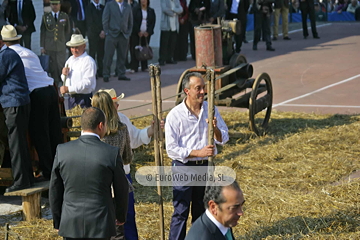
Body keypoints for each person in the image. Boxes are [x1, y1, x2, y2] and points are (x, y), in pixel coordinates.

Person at [165, 72, 229, 240]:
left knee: (201, 211)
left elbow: (224, 138)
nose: (202, 92)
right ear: (187, 91)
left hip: (204, 167)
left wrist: (214, 128)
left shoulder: (211, 109)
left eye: (203, 88)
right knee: (181, 211)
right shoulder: (175, 115)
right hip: (184, 168)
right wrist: (197, 152)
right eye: (198, 88)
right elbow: (171, 149)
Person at [49, 107, 129, 239]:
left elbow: (55, 189)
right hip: (101, 222)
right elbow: (121, 188)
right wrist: (120, 216)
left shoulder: (62, 150)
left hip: (71, 222)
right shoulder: (111, 153)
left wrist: (58, 220)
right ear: (101, 125)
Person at [2, 25, 62, 181]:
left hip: (36, 94)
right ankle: (58, 170)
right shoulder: (28, 52)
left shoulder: (7, 55)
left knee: (39, 134)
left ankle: (48, 172)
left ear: (3, 41)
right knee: (54, 134)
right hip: (50, 89)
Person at [91, 91, 133, 240]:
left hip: (97, 189)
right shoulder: (121, 128)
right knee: (118, 231)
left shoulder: (92, 133)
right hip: (117, 187)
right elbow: (128, 158)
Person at [0, 28, 34, 193]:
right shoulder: (9, 54)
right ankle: (27, 178)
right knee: (20, 142)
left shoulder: (5, 56)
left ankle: (21, 181)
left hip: (13, 103)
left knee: (16, 144)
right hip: (18, 102)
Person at [60, 34, 97, 110]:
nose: (74, 50)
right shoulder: (70, 60)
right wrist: (64, 74)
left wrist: (69, 89)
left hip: (83, 99)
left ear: (84, 46)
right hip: (72, 98)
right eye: (72, 47)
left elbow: (87, 82)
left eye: (77, 47)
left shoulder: (88, 61)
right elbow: (65, 79)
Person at [40, 0, 70, 87]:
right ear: (50, 5)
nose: (55, 6)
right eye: (53, 4)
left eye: (56, 4)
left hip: (61, 45)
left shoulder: (64, 16)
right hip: (49, 46)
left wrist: (67, 43)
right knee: (52, 65)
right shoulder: (46, 17)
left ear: (60, 5)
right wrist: (42, 46)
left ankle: (63, 81)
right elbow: (43, 32)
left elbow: (68, 31)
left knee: (61, 63)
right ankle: (55, 82)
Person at [102, 0, 133, 82]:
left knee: (122, 56)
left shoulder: (127, 6)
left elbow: (130, 21)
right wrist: (107, 32)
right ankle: (106, 74)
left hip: (123, 35)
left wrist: (128, 33)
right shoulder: (109, 5)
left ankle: (121, 73)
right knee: (108, 55)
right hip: (112, 34)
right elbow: (105, 19)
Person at [130, 0, 156, 73]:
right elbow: (133, 21)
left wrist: (148, 32)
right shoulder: (135, 10)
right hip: (136, 33)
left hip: (146, 34)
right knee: (135, 49)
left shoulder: (151, 10)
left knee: (145, 49)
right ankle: (134, 67)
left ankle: (144, 66)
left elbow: (152, 22)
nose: (143, 1)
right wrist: (138, 31)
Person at [158, 0, 183, 66]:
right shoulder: (164, 1)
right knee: (164, 44)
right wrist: (175, 13)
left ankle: (169, 58)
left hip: (174, 25)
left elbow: (181, 9)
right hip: (166, 26)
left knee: (172, 43)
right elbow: (165, 9)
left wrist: (172, 9)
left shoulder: (176, 1)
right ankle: (162, 59)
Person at [86, 0, 105, 78]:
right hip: (93, 34)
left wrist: (104, 31)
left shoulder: (102, 7)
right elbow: (90, 22)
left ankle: (101, 71)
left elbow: (105, 19)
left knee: (101, 54)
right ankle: (93, 72)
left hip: (102, 34)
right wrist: (99, 31)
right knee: (93, 54)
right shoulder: (88, 8)